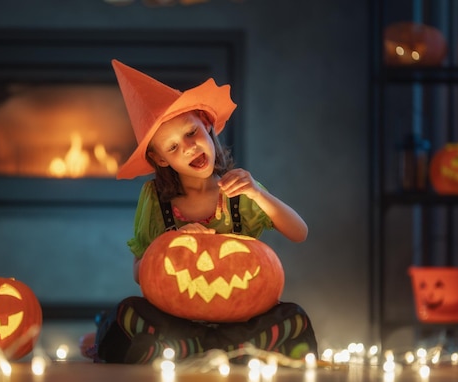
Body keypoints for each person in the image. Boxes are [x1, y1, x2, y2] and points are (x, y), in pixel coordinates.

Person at [83, 59, 317, 364]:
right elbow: (140, 274)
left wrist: (258, 194)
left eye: (191, 133)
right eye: (173, 147)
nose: (189, 148)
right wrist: (169, 242)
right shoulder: (156, 199)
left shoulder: (240, 190)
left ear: (207, 125)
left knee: (292, 315)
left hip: (240, 317)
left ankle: (193, 349)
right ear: (161, 159)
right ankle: (233, 350)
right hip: (177, 318)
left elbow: (299, 233)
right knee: (127, 311)